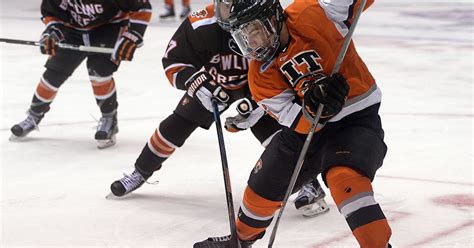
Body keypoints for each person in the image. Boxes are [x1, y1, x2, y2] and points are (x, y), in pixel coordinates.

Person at [194, 0, 392, 247]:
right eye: (241, 34)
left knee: (345, 179)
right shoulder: (260, 77)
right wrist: (314, 108)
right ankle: (240, 240)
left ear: (274, 16)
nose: (251, 41)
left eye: (254, 29)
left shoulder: (316, 13)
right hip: (306, 133)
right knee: (262, 186)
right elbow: (300, 123)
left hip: (355, 119)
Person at [109, 1, 329, 217]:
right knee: (176, 125)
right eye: (225, 5)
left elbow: (286, 66)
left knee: (275, 135)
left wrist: (259, 105)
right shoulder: (201, 24)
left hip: (262, 85)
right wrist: (195, 83)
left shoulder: (266, 19)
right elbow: (173, 61)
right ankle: (140, 172)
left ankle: (309, 182)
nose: (231, 12)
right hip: (215, 84)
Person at [10, 0, 152, 149]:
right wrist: (53, 30)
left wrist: (133, 35)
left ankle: (109, 119)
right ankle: (33, 116)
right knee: (54, 73)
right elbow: (51, 12)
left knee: (99, 72)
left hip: (109, 27)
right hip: (72, 29)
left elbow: (142, 7)